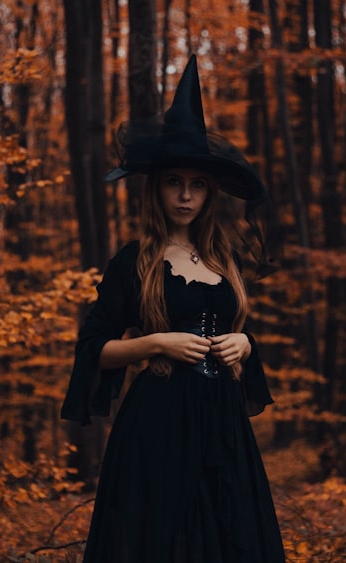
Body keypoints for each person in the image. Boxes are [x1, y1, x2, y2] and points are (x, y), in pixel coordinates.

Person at [61, 55, 285, 563]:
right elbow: (93, 348)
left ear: (210, 192)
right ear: (155, 187)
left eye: (198, 184)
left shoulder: (226, 258)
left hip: (223, 423)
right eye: (173, 182)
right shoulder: (134, 262)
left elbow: (237, 334)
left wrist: (246, 344)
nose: (185, 195)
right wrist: (156, 342)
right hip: (158, 423)